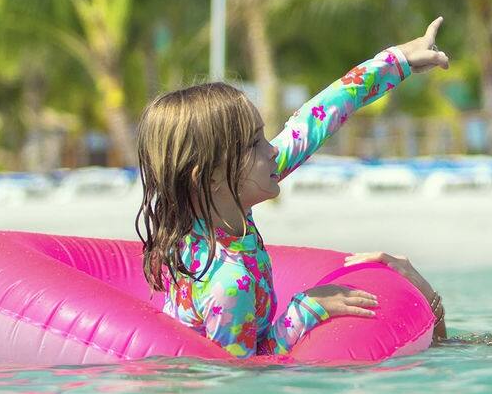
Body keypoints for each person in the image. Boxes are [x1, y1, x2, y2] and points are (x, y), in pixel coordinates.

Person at [135, 19, 450, 357]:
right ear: (209, 176)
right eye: (254, 143)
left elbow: (317, 117)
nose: (272, 150)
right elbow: (236, 378)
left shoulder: (220, 205)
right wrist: (304, 309)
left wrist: (399, 59)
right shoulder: (229, 283)